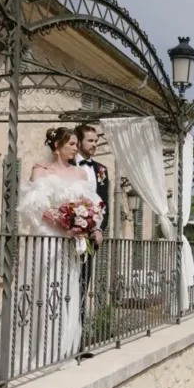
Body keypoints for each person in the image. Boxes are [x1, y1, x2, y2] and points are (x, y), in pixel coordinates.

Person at [0, 127, 104, 371]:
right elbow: (35, 206)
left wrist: (88, 223)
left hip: (71, 244)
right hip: (49, 239)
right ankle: (33, 352)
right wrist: (64, 223)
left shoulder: (81, 174)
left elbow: (93, 205)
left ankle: (60, 351)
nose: (75, 148)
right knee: (43, 292)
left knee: (65, 294)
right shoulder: (41, 170)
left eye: (75, 144)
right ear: (58, 146)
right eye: (71, 144)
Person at [71, 123, 110, 359]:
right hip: (68, 237)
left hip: (90, 239)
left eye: (96, 141)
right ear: (79, 141)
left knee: (84, 286)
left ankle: (78, 342)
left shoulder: (102, 170)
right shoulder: (66, 164)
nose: (95, 145)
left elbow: (105, 203)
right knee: (66, 287)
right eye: (90, 141)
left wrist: (100, 230)